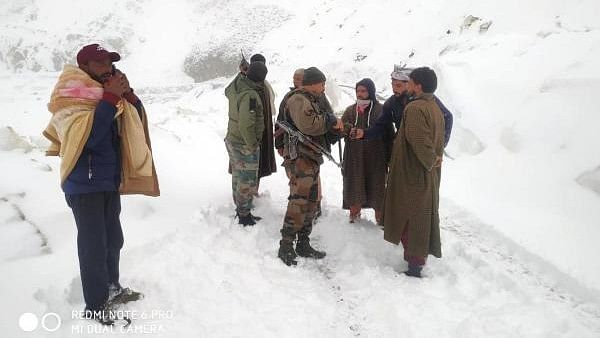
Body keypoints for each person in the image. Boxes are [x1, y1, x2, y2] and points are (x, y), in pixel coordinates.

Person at [43, 43, 159, 324]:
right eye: (100, 63)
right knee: (93, 246)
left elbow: (136, 120)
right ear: (84, 66)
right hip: (84, 184)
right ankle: (95, 306)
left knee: (113, 240)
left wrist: (127, 94)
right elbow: (87, 139)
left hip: (106, 180)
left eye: (110, 61)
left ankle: (112, 288)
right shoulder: (70, 94)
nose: (107, 67)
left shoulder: (107, 94)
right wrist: (110, 97)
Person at [381, 67, 445, 278]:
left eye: (409, 82)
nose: (406, 86)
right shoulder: (433, 105)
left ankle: (415, 264)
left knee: (410, 216)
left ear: (417, 86)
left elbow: (419, 141)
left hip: (413, 173)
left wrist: (430, 160)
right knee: (417, 214)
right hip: (423, 171)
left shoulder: (416, 108)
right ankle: (415, 260)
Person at [277, 67, 344, 266]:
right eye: (322, 84)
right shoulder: (298, 99)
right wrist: (329, 121)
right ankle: (286, 245)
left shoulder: (312, 99)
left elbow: (318, 126)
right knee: (298, 201)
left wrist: (333, 130)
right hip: (300, 159)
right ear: (313, 82)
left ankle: (303, 242)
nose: (324, 88)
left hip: (311, 157)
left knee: (312, 202)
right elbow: (309, 125)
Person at [354, 65, 454, 148]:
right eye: (392, 84)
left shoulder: (427, 100)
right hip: (402, 148)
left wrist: (440, 145)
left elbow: (447, 116)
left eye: (398, 86)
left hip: (424, 150)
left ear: (409, 84)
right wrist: (364, 134)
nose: (394, 89)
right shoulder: (391, 103)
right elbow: (380, 126)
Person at [224, 62, 268, 226]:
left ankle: (240, 209)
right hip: (243, 143)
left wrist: (241, 74)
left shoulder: (238, 84)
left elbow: (227, 90)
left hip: (233, 138)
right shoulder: (250, 95)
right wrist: (252, 144)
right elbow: (246, 124)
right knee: (246, 180)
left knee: (238, 175)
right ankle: (244, 215)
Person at [341, 78, 390, 224]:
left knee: (378, 191)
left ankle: (381, 224)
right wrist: (346, 130)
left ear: (371, 92)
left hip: (376, 159)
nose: (360, 94)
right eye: (358, 91)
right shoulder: (350, 110)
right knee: (354, 188)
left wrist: (389, 158)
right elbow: (342, 129)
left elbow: (388, 134)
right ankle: (354, 222)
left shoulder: (381, 110)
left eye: (363, 91)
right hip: (354, 158)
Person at [249, 54, 277, 187]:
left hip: (263, 128)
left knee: (257, 162)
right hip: (253, 131)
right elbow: (250, 113)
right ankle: (249, 193)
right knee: (251, 163)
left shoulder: (263, 85)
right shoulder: (251, 87)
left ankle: (253, 190)